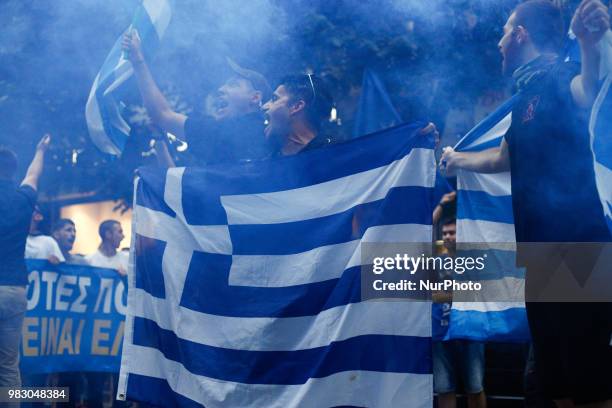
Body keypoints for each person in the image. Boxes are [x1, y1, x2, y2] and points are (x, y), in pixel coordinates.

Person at [440, 1, 612, 406]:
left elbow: (588, 92)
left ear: (521, 35)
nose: (499, 42)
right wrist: (456, 159)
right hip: (540, 255)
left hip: (580, 250)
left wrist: (590, 43)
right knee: (559, 384)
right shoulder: (525, 95)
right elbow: (504, 157)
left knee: (590, 384)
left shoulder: (560, 76)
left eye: (505, 31)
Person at [122, 30, 272, 165]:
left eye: (233, 85)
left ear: (255, 97)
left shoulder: (223, 133)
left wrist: (138, 61)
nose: (221, 89)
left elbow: (161, 114)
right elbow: (175, 184)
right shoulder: (275, 138)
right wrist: (160, 140)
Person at [0, 134, 50, 391]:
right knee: (8, 365)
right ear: (12, 171)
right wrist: (40, 150)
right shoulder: (23, 199)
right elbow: (34, 175)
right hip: (15, 291)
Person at [432, 218, 487, 408]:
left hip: (471, 331)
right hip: (440, 330)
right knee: (444, 387)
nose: (447, 236)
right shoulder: (434, 262)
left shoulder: (475, 260)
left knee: (475, 386)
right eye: (445, 233)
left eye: (452, 232)